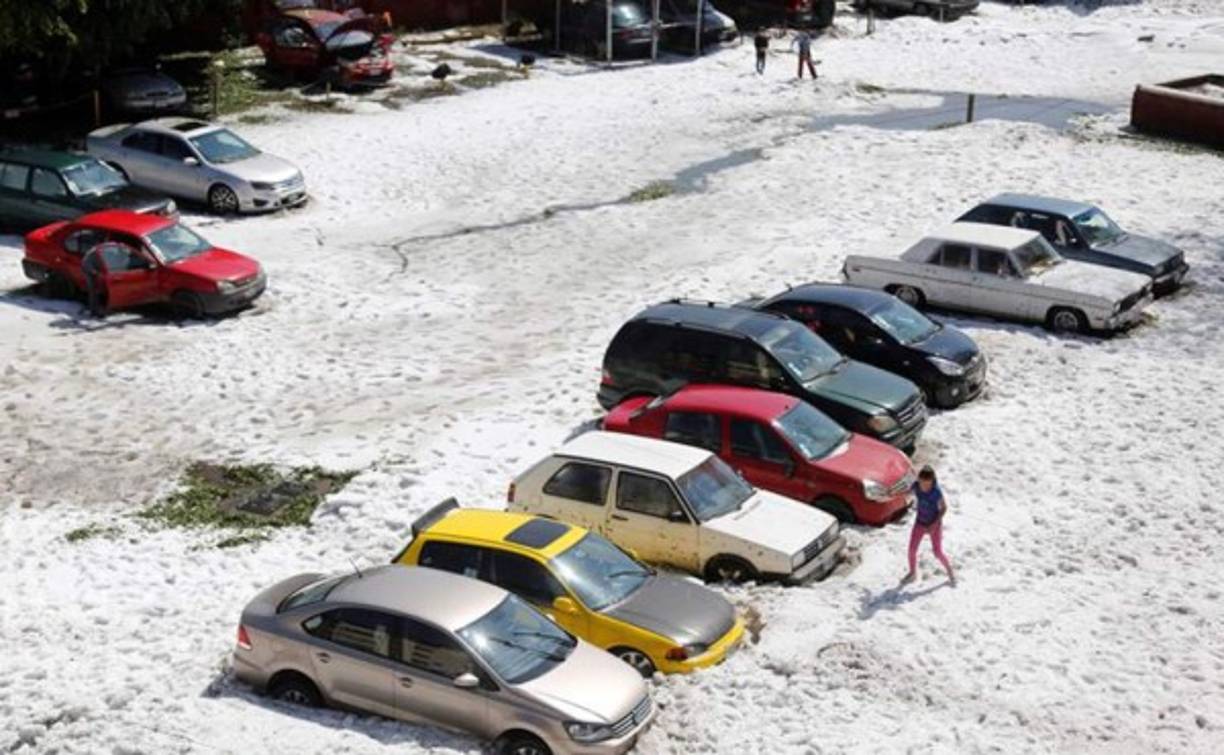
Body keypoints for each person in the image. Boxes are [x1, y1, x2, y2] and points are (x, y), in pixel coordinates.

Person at [903, 465, 955, 584]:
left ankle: (950, 571)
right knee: (911, 550)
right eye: (922, 483)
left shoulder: (936, 492)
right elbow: (907, 492)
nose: (925, 487)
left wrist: (934, 524)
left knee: (937, 552)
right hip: (920, 522)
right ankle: (912, 573)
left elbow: (944, 508)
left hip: (934, 524)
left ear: (933, 481)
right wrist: (899, 493)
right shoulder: (916, 486)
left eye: (928, 484)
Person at [81, 245, 107, 318]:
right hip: (90, 274)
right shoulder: (93, 254)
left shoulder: (97, 252)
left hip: (94, 273)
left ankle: (96, 310)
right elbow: (86, 264)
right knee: (93, 293)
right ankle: (94, 311)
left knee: (96, 292)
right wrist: (95, 272)